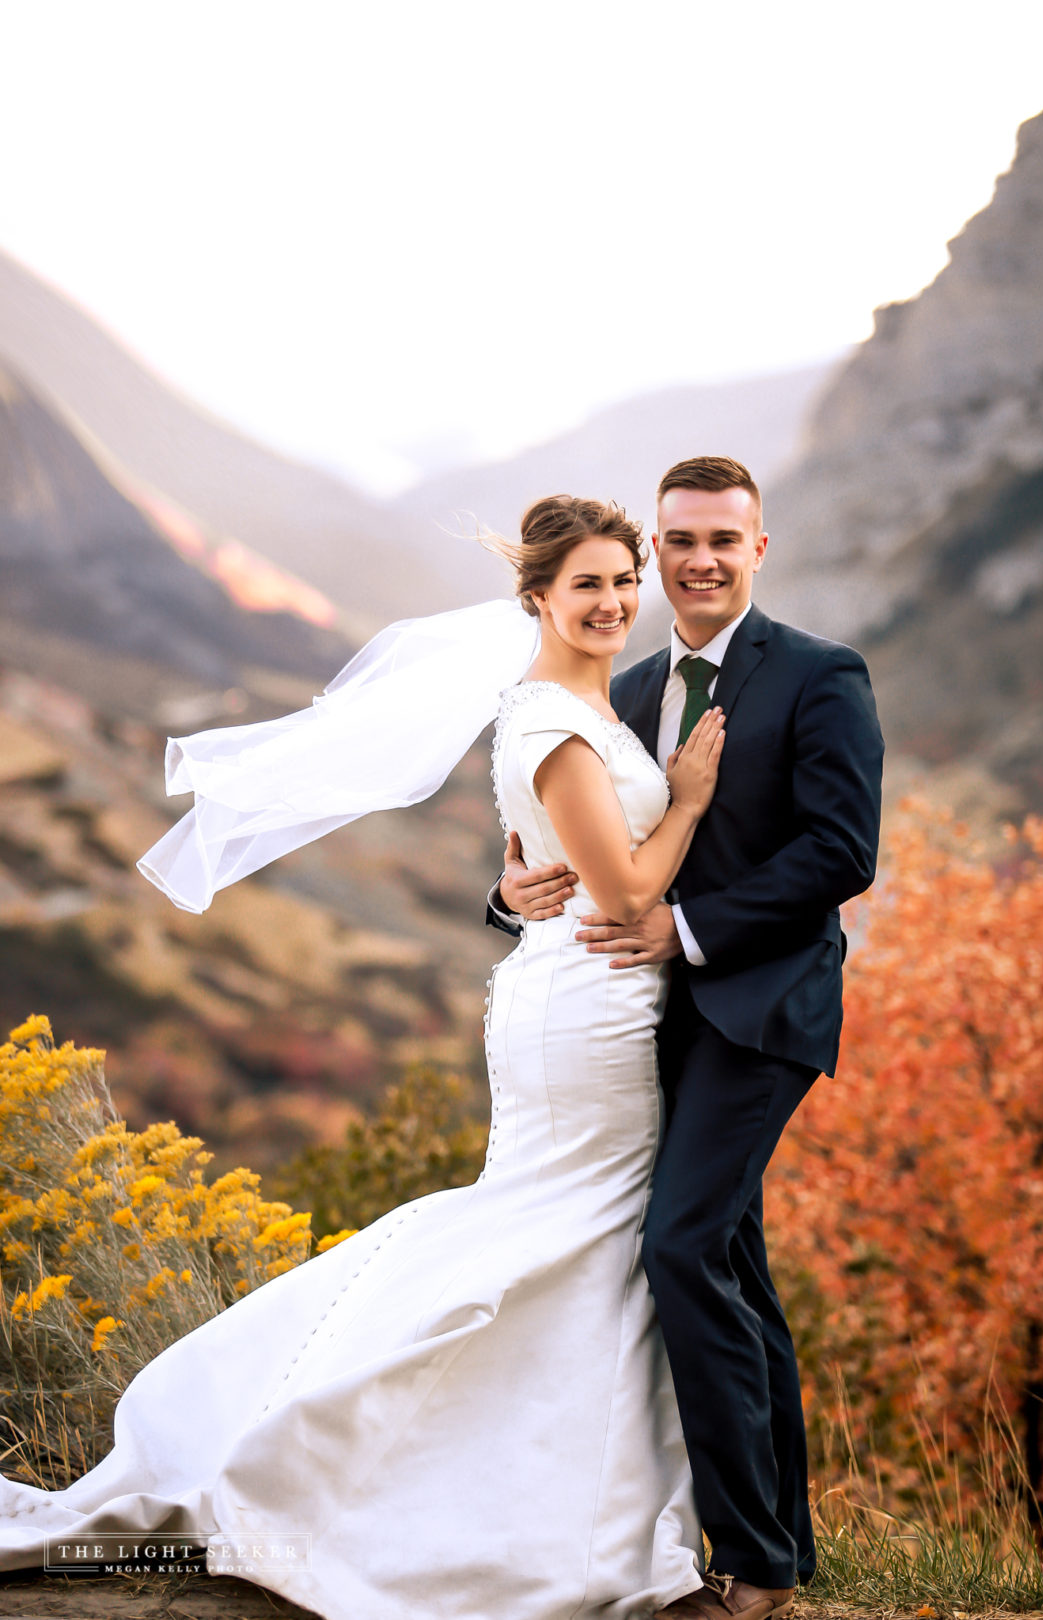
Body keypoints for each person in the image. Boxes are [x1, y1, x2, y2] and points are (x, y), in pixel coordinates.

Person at [1, 496, 734, 1620]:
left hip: (578, 988)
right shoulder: (551, 723)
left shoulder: (581, 708)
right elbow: (631, 890)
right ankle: (406, 1481)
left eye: (624, 581)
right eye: (588, 584)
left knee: (567, 1233)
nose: (616, 601)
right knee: (569, 1230)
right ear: (537, 597)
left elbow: (568, 866)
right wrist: (684, 800)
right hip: (589, 1006)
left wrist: (514, 887)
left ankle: (535, 1491)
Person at [490, 457, 885, 1620]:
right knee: (729, 1266)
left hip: (758, 1009)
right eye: (680, 542)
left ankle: (753, 1567)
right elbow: (572, 822)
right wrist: (511, 896)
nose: (699, 560)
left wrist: (687, 929)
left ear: (760, 548)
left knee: (679, 1247)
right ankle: (782, 1547)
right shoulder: (635, 679)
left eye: (724, 539)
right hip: (641, 1023)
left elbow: (839, 850)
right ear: (657, 552)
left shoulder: (820, 673)